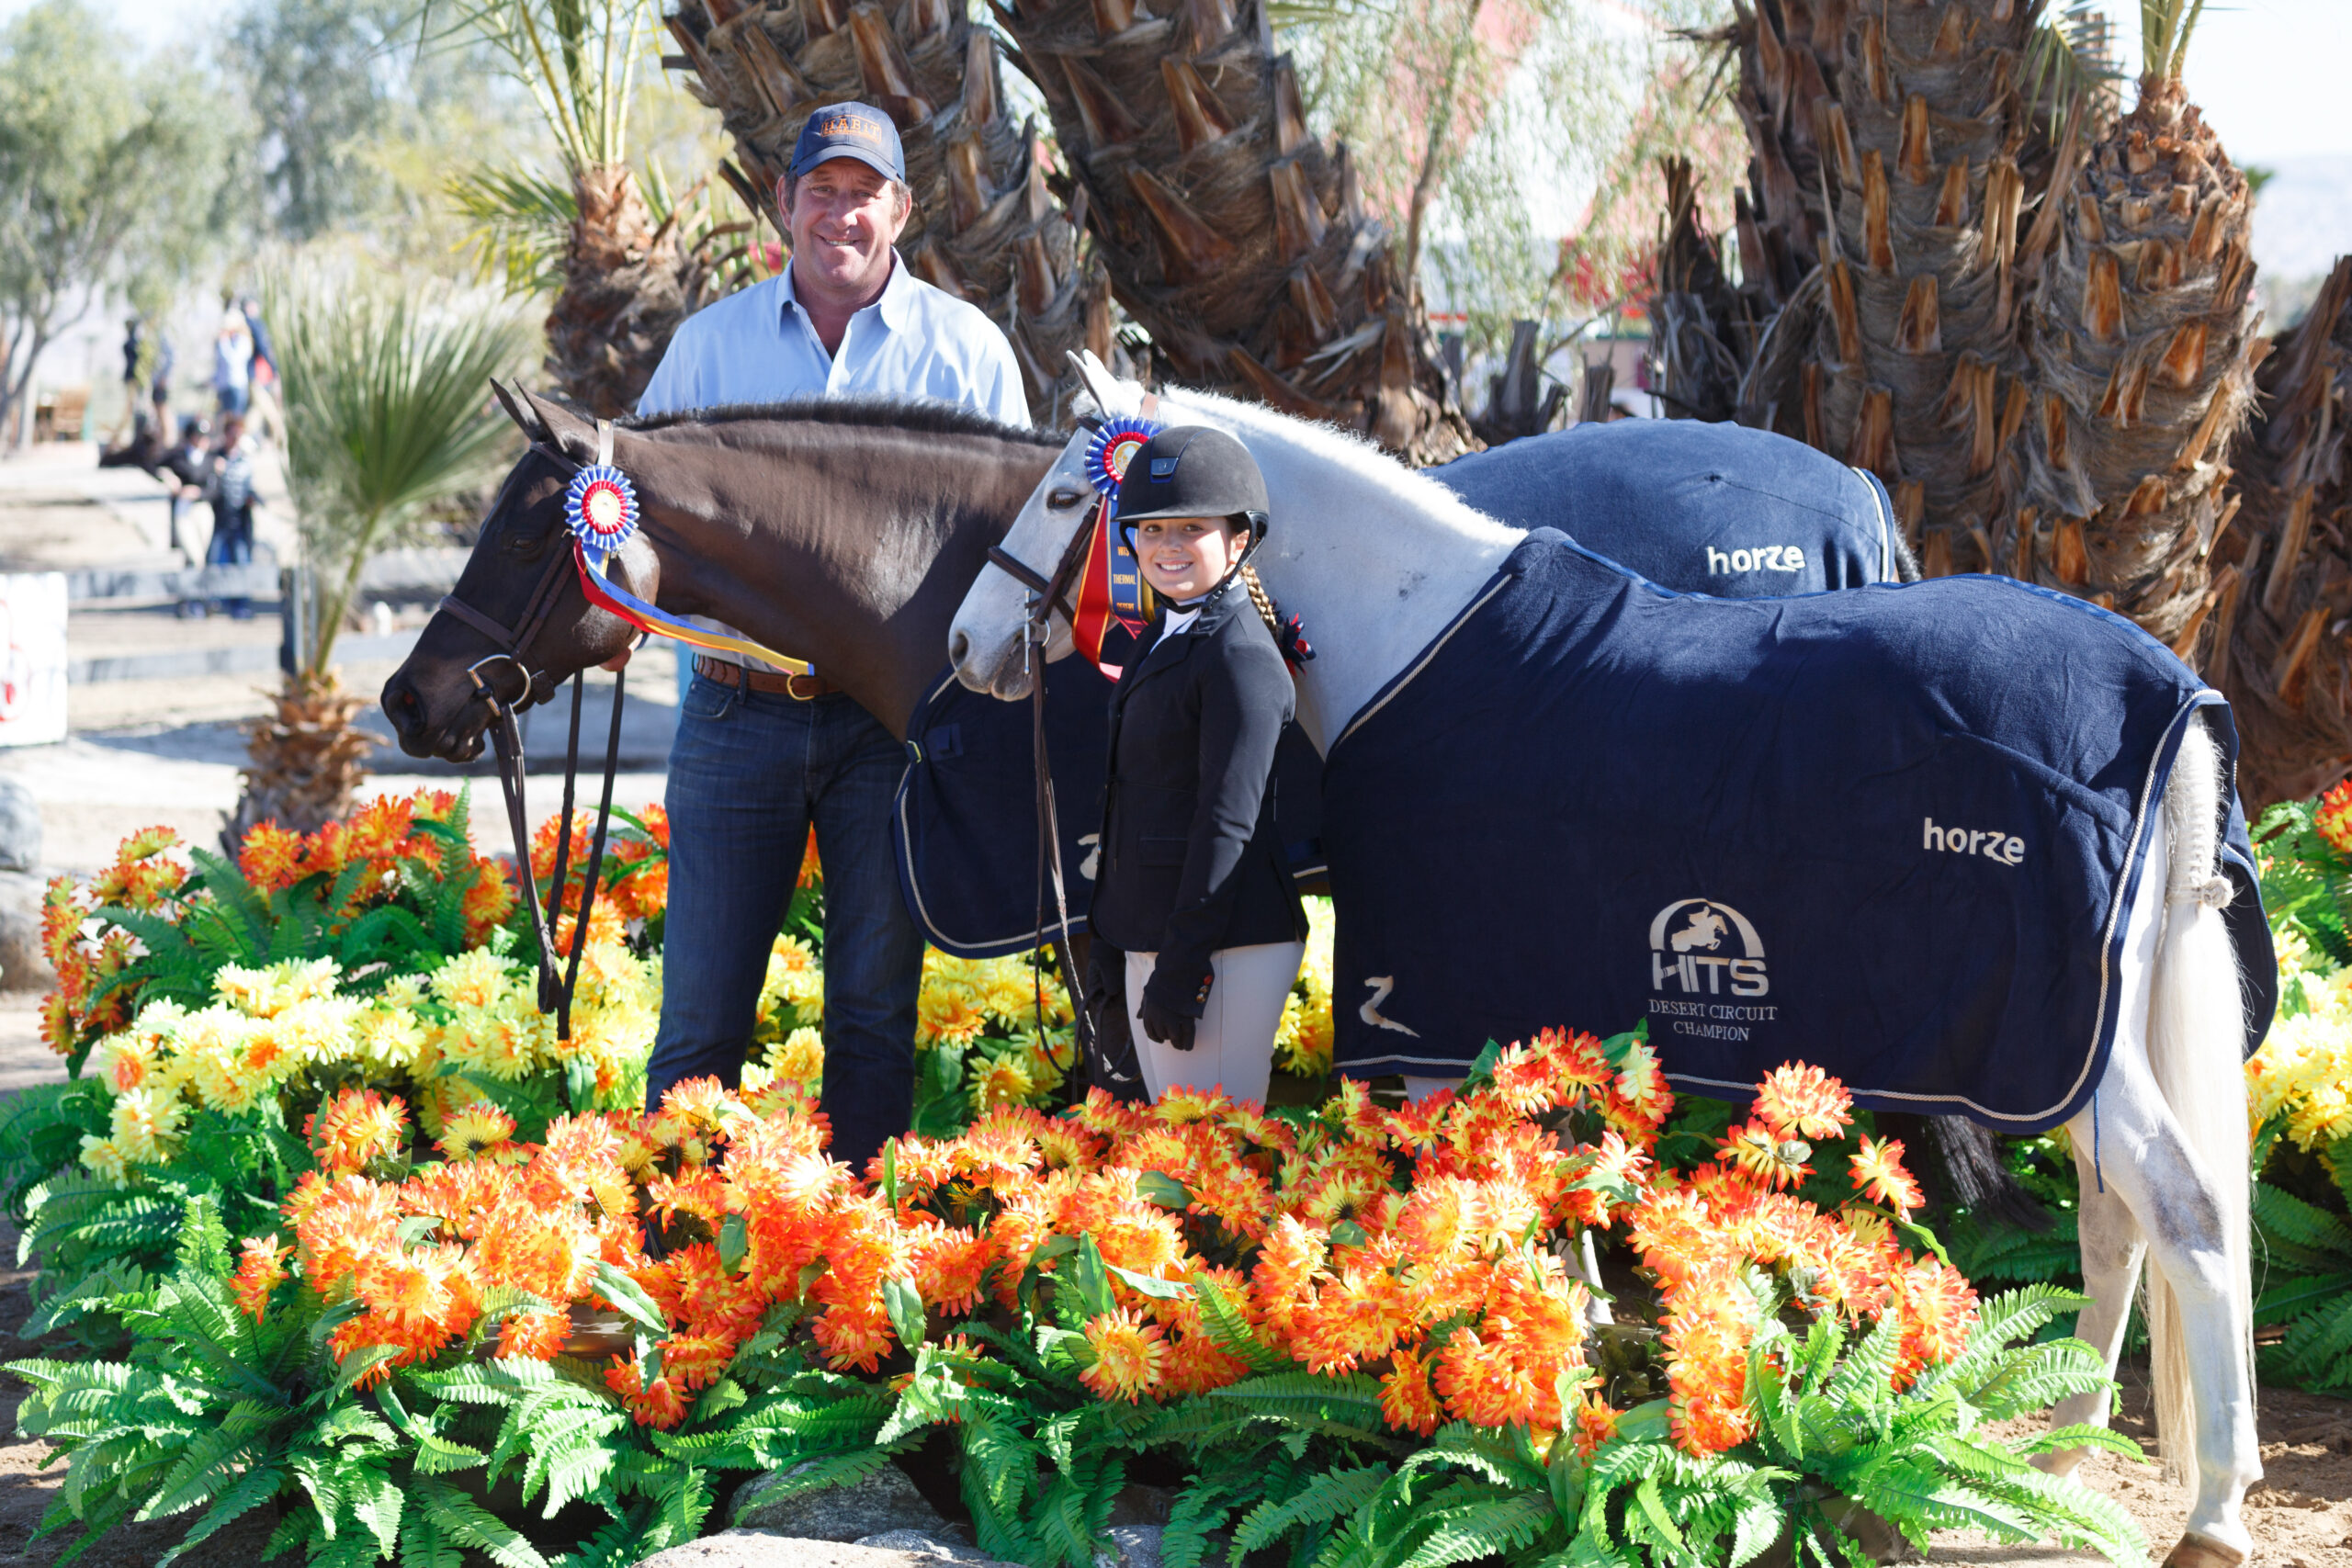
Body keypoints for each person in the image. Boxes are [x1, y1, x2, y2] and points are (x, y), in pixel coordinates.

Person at [632, 102, 1028, 1173]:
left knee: (869, 1020)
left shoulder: (968, 354)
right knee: (701, 1024)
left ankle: (852, 1260)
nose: (840, 214)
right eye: (821, 190)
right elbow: (626, 514)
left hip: (886, 735)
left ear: (900, 210)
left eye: (864, 194)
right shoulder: (706, 351)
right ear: (783, 203)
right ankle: (676, 1267)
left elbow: (1015, 550)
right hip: (731, 714)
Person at [1085, 427, 1309, 1105]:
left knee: (1212, 1178)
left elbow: (1225, 826)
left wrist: (1182, 969)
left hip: (1219, 950)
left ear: (1239, 539)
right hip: (1152, 934)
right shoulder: (1167, 634)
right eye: (1151, 530)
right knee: (1176, 1169)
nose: (1167, 546)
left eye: (1190, 528)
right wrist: (1112, 934)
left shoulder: (1239, 657)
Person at [205, 413, 258, 619]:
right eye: (232, 433)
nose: (235, 438)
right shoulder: (215, 458)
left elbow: (248, 489)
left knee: (241, 561)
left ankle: (241, 604)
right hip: (219, 520)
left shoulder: (245, 462)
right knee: (214, 561)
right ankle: (211, 601)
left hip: (239, 522)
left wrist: (252, 500)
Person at [212, 310, 253, 418]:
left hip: (237, 384)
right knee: (225, 419)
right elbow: (219, 365)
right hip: (223, 386)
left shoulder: (243, 341)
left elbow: (232, 360)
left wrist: (224, 343)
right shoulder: (224, 342)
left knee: (235, 419)